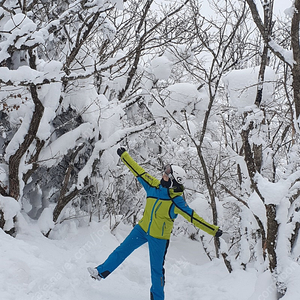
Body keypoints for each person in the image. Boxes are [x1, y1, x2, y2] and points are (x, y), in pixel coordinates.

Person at [88, 148, 222, 300]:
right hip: (142, 229)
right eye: (165, 172)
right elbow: (138, 171)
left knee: (156, 271)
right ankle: (100, 273)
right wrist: (124, 156)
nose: (163, 175)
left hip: (159, 237)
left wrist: (213, 230)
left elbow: (194, 218)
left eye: (167, 174)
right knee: (121, 250)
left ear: (174, 180)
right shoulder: (153, 186)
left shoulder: (176, 201)